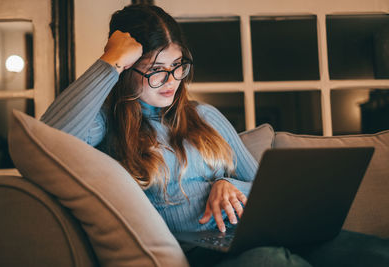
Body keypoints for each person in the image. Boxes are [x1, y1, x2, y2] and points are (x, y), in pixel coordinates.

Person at [41, 4, 389, 267]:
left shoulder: (205, 116)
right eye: (156, 71)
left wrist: (230, 184)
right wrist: (109, 62)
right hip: (200, 254)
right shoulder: (107, 125)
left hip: (257, 233)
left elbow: (266, 187)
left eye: (178, 66)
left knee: (373, 252)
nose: (172, 81)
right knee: (271, 261)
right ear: (127, 70)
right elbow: (48, 140)